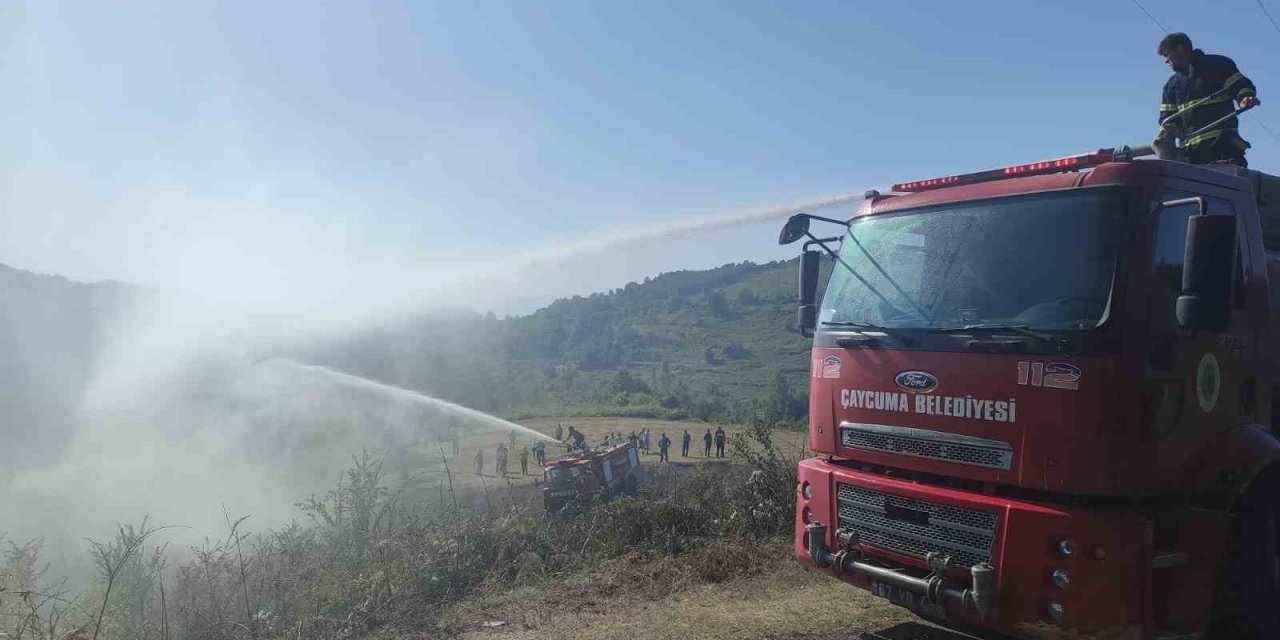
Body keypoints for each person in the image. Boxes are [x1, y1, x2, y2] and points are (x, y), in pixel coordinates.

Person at [1156, 32, 1259, 167]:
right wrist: (1165, 139)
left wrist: (1245, 98)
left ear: (1180, 49)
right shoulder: (1171, 86)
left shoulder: (1218, 65)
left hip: (1224, 149)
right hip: (1191, 157)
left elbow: (1240, 85)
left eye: (1167, 55)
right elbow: (1167, 120)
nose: (1166, 61)